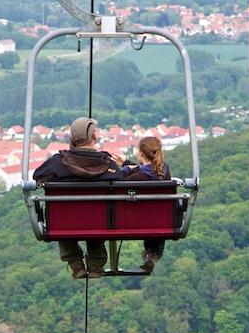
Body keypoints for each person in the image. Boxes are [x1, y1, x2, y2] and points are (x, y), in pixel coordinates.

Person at [32, 116, 122, 279]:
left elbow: (38, 176)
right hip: (99, 222)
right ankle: (96, 265)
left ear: (73, 139)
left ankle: (75, 263)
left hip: (65, 222)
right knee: (97, 217)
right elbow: (121, 180)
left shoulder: (58, 163)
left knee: (63, 219)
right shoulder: (108, 164)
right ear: (94, 136)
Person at [115, 135, 170, 273]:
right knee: (156, 215)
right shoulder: (164, 171)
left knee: (145, 214)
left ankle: (151, 253)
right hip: (162, 219)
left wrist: (124, 169)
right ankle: (152, 254)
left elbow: (121, 180)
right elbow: (146, 171)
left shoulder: (138, 176)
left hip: (135, 219)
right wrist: (127, 164)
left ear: (141, 154)